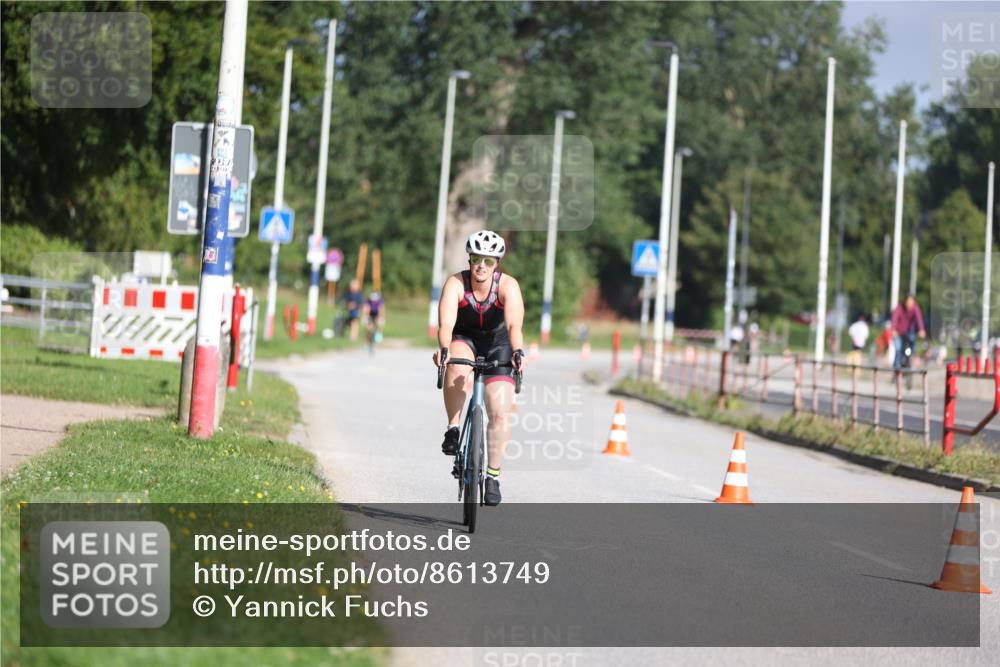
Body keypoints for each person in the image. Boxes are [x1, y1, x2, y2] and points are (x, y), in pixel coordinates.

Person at [432, 230, 525, 506]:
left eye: (489, 260)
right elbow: (446, 324)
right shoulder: (456, 283)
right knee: (458, 366)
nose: (481, 266)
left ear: (497, 263)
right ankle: (453, 427)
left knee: (500, 412)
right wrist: (444, 348)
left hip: (498, 345)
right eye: (476, 259)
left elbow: (514, 326)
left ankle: (493, 476)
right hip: (464, 339)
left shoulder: (508, 286)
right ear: (469, 259)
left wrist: (518, 351)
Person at [890, 294, 926, 370]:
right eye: (908, 302)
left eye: (911, 303)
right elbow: (894, 318)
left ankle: (910, 362)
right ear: (905, 301)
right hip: (899, 332)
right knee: (898, 348)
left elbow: (919, 319)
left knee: (913, 346)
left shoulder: (915, 308)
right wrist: (893, 329)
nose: (909, 304)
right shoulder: (899, 307)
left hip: (909, 332)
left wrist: (921, 329)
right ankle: (896, 367)